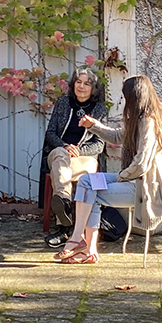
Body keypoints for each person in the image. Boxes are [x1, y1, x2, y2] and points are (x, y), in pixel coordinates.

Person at [52, 74, 162, 265]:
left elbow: (142, 163)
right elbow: (118, 137)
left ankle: (85, 246)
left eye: (126, 97)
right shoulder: (144, 116)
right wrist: (93, 125)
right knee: (86, 181)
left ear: (134, 97)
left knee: (92, 192)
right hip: (135, 180)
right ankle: (80, 240)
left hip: (146, 188)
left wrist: (122, 176)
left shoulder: (149, 122)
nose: (125, 101)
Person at [41, 68, 109, 249]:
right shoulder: (63, 103)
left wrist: (79, 150)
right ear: (73, 84)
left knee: (63, 169)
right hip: (59, 153)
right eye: (78, 82)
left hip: (84, 158)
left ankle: (64, 224)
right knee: (60, 157)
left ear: (93, 88)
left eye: (87, 83)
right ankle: (65, 212)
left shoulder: (100, 110)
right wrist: (65, 146)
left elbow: (99, 144)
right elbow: (50, 133)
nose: (82, 86)